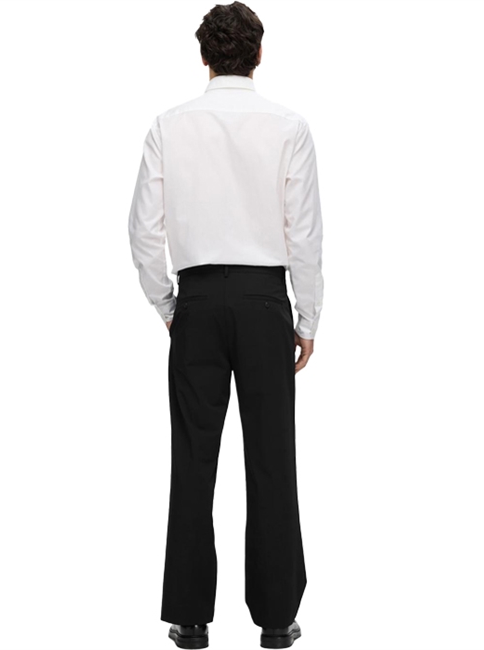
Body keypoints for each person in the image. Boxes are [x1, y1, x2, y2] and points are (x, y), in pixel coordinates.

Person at [127, 2, 323, 647]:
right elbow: (304, 232)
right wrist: (308, 316)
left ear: (204, 56)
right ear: (258, 55)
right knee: (272, 459)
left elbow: (143, 230)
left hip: (199, 305)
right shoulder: (289, 126)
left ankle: (189, 618)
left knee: (193, 459)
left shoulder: (169, 125)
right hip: (266, 305)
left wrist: (168, 306)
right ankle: (276, 618)